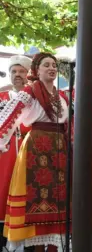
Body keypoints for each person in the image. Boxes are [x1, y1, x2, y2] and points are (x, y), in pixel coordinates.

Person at [0, 53, 69, 252]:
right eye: (46, 65)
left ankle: (54, 248)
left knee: (57, 200)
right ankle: (37, 248)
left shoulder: (62, 95)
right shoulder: (29, 92)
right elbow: (9, 117)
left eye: (54, 65)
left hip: (58, 150)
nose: (51, 68)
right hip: (36, 150)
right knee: (35, 199)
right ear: (37, 71)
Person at [0, 55, 32, 249]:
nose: (17, 75)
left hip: (28, 153)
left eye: (22, 71)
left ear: (28, 74)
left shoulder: (35, 98)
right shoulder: (1, 98)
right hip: (5, 156)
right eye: (14, 71)